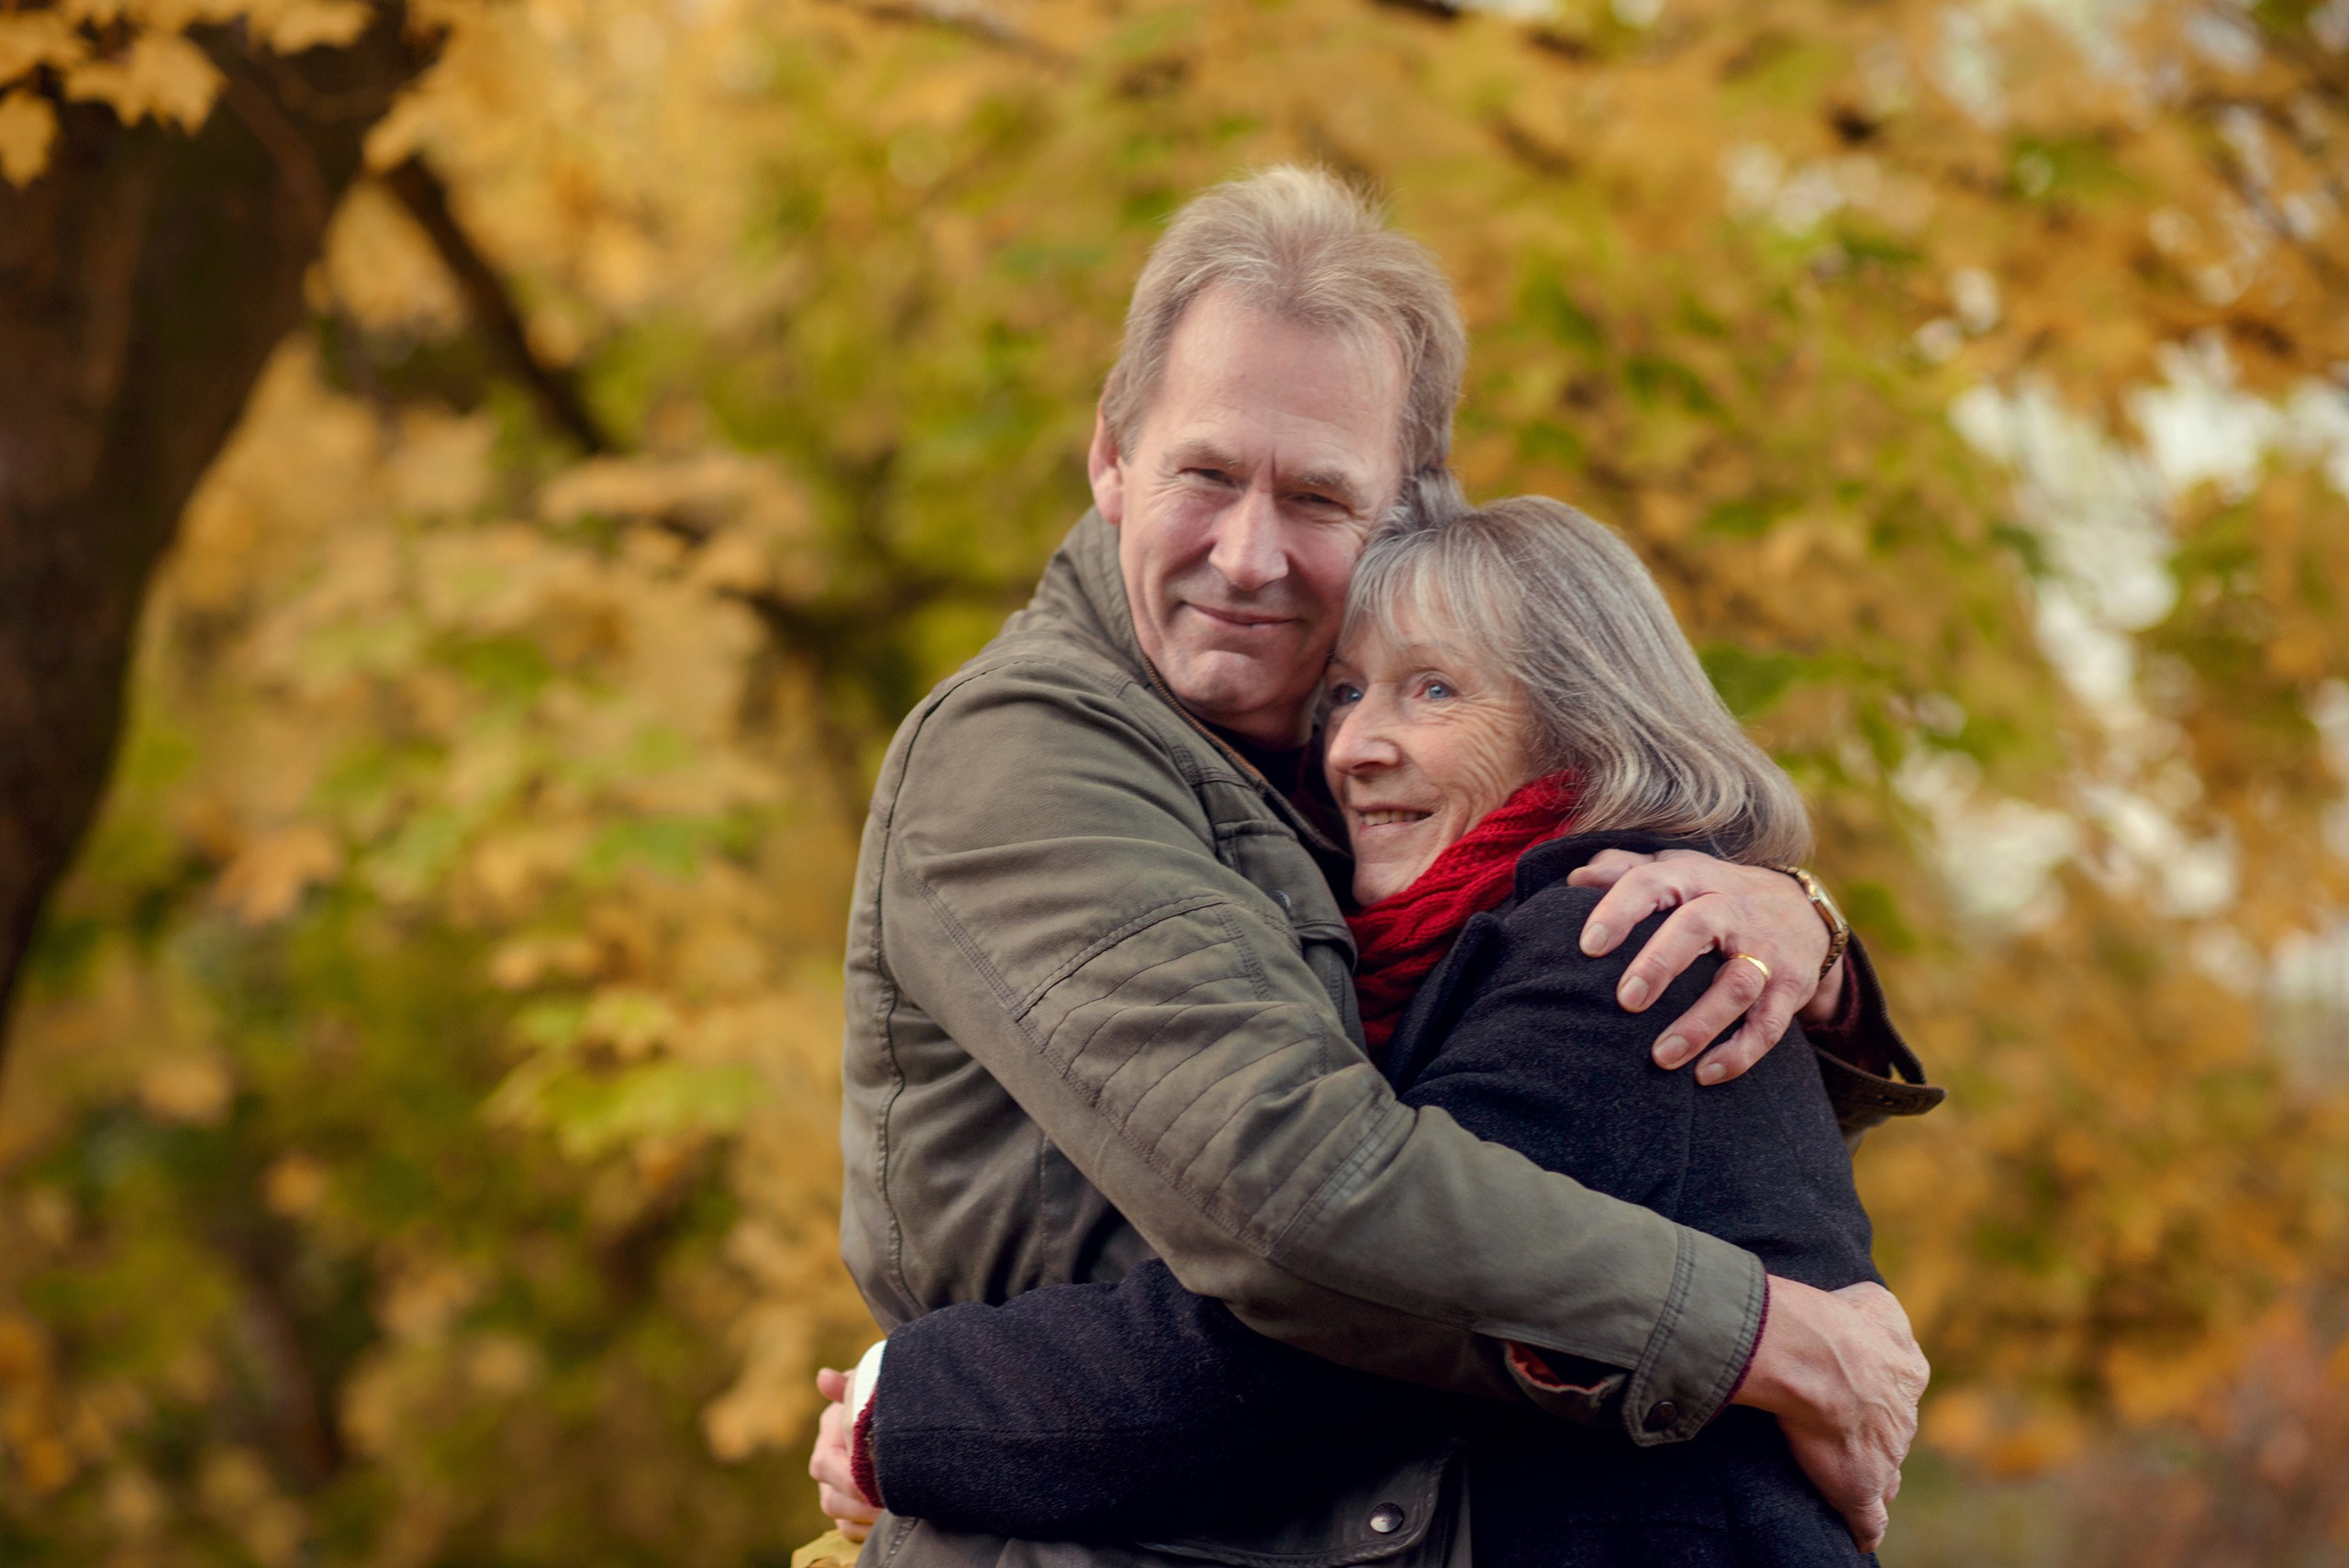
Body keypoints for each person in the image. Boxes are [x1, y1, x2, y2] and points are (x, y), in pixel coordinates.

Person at [824, 166, 1939, 1568]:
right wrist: (1758, 1331)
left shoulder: (1355, 785)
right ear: (1110, 455)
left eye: (1318, 497)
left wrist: (1801, 932)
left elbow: (1627, 1112)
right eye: (1207, 474)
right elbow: (1294, 1195)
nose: (1249, 554)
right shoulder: (1030, 753)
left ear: (1405, 510)